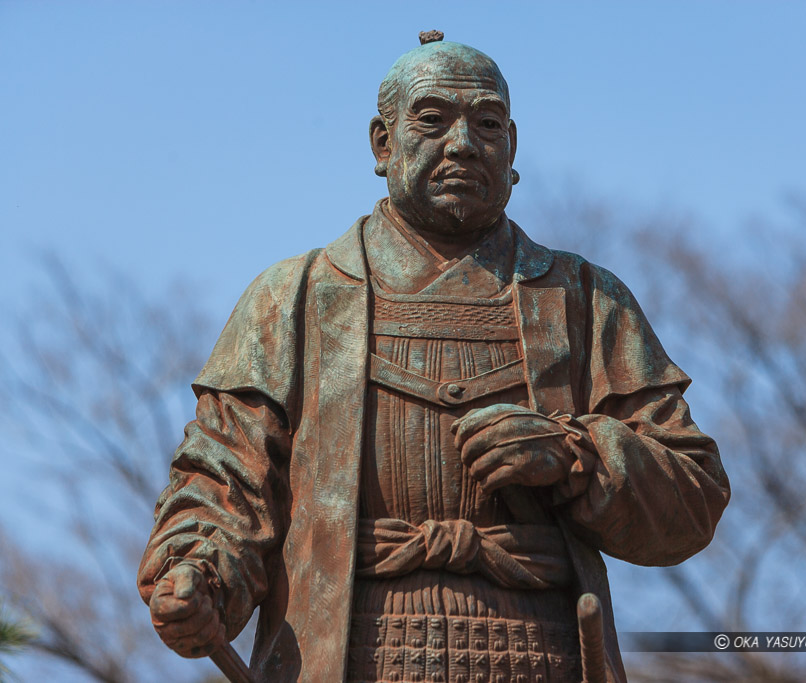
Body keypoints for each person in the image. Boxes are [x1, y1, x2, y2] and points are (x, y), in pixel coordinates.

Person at [138, 32, 729, 683]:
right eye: (432, 118)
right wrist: (198, 573)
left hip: (543, 655)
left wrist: (575, 455)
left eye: (487, 123)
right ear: (381, 142)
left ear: (513, 148)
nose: (463, 143)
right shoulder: (296, 296)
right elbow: (224, 479)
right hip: (351, 655)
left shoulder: (586, 300)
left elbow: (692, 495)